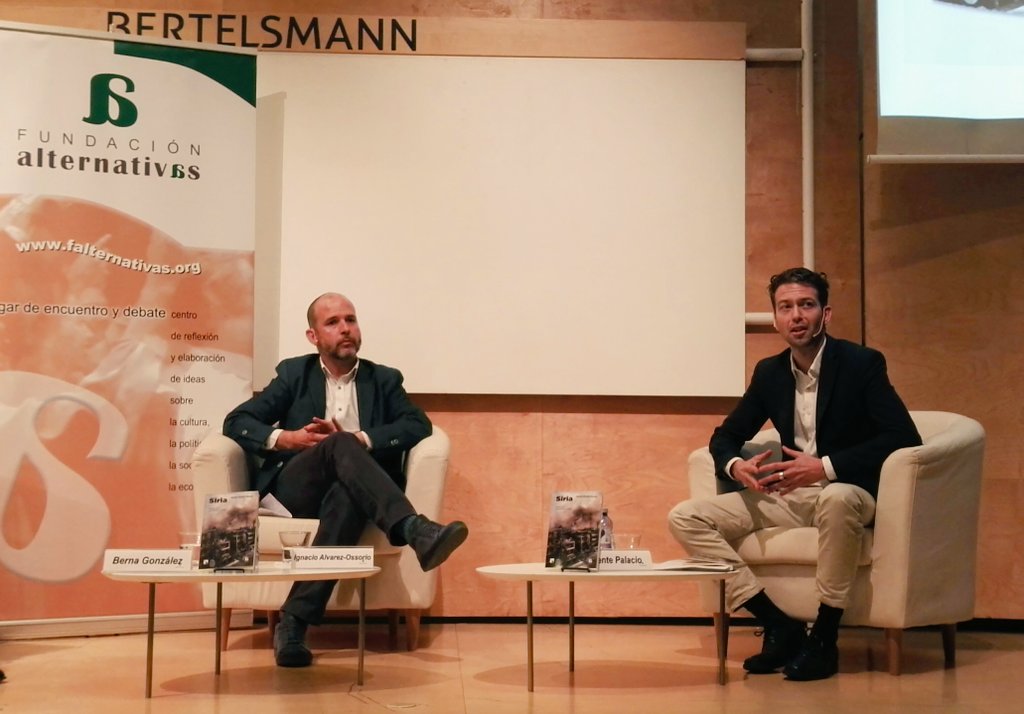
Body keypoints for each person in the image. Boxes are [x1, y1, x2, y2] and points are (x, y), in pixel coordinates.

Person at [667, 267, 921, 681]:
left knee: (836, 497)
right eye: (785, 307)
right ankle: (778, 624)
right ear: (775, 319)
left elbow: (903, 436)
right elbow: (725, 436)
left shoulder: (861, 364)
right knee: (686, 516)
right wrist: (737, 466)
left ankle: (824, 636)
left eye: (806, 305)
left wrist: (824, 466)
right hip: (788, 496)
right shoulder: (770, 372)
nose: (796, 316)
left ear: (826, 314)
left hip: (848, 490)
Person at [223, 292, 468, 667]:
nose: (345, 329)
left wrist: (362, 439)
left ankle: (293, 624)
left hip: (356, 491)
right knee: (337, 444)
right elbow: (237, 421)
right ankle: (412, 527)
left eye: (350, 320)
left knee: (347, 490)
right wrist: (286, 438)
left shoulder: (383, 379)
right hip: (297, 487)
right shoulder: (293, 374)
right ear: (313, 336)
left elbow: (417, 425)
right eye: (333, 322)